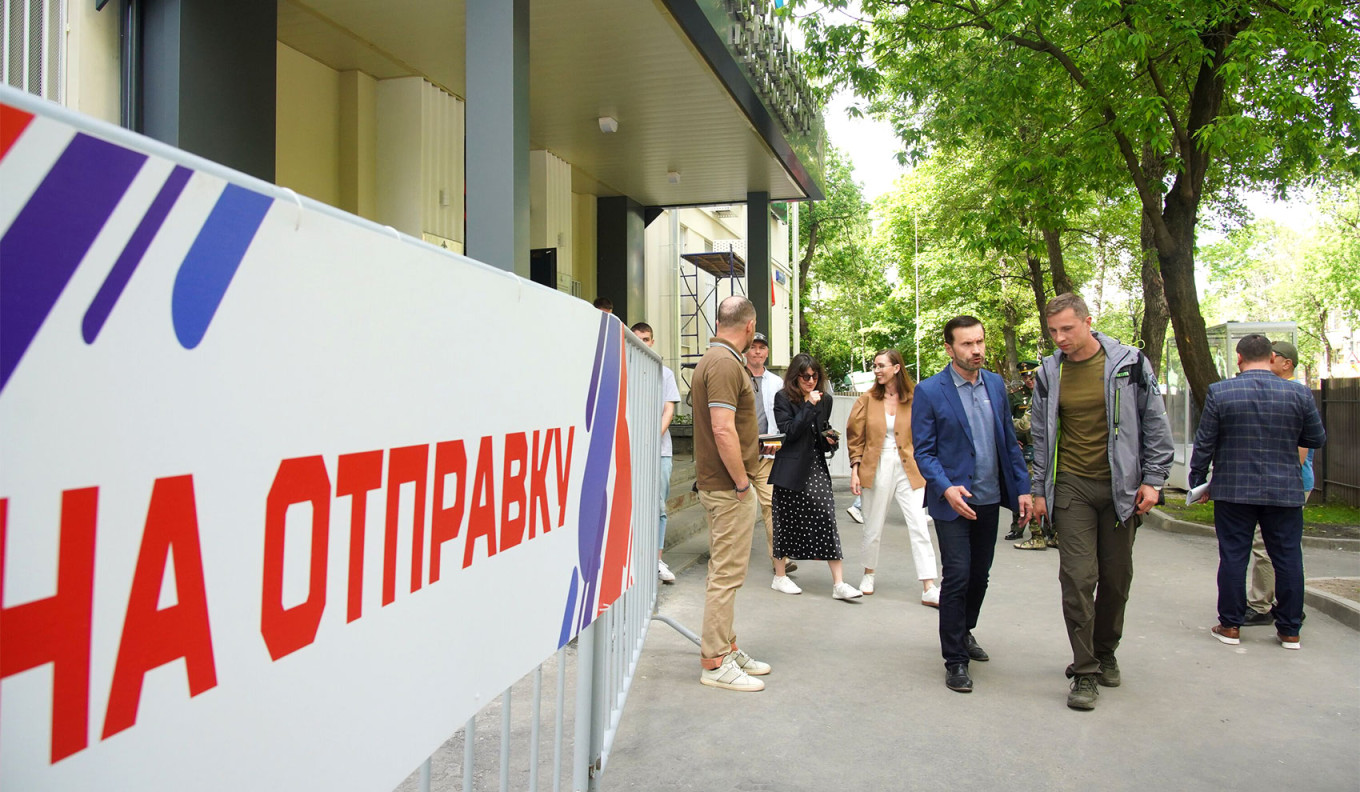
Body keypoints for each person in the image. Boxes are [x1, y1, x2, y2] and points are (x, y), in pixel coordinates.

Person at [1029, 293, 1173, 711]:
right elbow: (1041, 434)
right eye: (1053, 331)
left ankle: (1106, 649)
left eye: (1067, 329)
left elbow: (1153, 422)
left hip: (1121, 489)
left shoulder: (1129, 363)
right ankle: (1085, 670)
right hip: (1071, 486)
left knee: (1115, 578)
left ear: (1088, 322)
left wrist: (1154, 479)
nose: (1060, 338)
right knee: (1077, 578)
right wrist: (1039, 489)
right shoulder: (1049, 372)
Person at [913, 317, 1032, 693]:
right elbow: (925, 452)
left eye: (979, 342)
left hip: (989, 498)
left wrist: (1023, 488)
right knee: (958, 575)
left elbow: (1008, 442)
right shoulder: (930, 391)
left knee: (980, 576)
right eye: (967, 344)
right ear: (949, 349)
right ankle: (955, 660)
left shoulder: (995, 385)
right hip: (953, 502)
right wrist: (945, 488)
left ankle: (964, 632)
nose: (976, 350)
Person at [1191, 334, 1326, 650]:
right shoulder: (1298, 394)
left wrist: (1199, 483)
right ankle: (1290, 630)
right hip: (1285, 490)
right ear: (1269, 357)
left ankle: (1230, 626)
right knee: (1288, 557)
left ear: (1238, 358)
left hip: (1233, 490)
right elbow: (1316, 438)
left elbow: (1205, 442)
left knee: (1234, 556)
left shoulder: (1221, 392)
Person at [690, 296, 772, 692]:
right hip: (727, 488)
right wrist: (742, 483)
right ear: (749, 326)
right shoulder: (724, 363)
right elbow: (723, 430)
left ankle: (725, 647)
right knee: (725, 575)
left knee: (727, 573)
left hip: (722, 485)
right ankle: (715, 662)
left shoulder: (716, 359)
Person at [846, 349, 940, 604]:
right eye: (875, 366)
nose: (876, 370)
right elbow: (855, 438)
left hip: (909, 465)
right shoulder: (866, 400)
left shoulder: (915, 398)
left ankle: (929, 585)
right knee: (873, 524)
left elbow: (928, 432)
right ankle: (869, 573)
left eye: (881, 365)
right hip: (876, 464)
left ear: (897, 368)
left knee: (919, 525)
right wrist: (855, 469)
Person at [769, 354, 861, 600]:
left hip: (816, 465)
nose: (811, 381)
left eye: (815, 376)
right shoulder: (782, 398)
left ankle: (839, 583)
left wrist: (829, 440)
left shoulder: (825, 400)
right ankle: (780, 576)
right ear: (795, 377)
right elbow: (790, 431)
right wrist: (808, 405)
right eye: (805, 376)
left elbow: (820, 429)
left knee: (826, 515)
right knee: (785, 521)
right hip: (790, 468)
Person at [1241, 340, 1317, 625]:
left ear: (1287, 363)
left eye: (1273, 357)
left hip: (1288, 484)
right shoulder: (1279, 392)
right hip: (1282, 483)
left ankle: (1262, 606)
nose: (1267, 360)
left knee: (1267, 546)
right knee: (1280, 548)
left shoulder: (1297, 393)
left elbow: (1299, 451)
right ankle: (1288, 604)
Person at [631, 322, 681, 583]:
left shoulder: (666, 374)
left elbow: (668, 411)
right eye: (637, 338)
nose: (643, 342)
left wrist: (650, 439)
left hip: (659, 452)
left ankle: (656, 560)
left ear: (653, 341)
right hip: (628, 452)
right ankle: (632, 558)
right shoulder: (623, 372)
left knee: (658, 507)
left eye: (647, 338)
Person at [745, 332, 796, 576]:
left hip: (767, 453)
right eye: (753, 347)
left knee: (772, 506)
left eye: (761, 348)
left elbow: (782, 417)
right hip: (739, 453)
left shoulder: (777, 383)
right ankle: (727, 559)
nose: (757, 352)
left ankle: (780, 559)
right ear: (746, 350)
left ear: (767, 352)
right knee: (734, 508)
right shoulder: (736, 376)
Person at [1007, 360, 1055, 549]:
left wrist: (1006, 427)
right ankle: (1049, 533)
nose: (1028, 379)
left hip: (1039, 451)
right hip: (1048, 450)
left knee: (1032, 491)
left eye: (1032, 376)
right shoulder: (1055, 392)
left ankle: (1038, 536)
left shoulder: (1040, 396)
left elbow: (1025, 423)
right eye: (1025, 376)